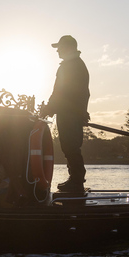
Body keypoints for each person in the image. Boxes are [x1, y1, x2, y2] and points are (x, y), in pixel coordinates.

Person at [39, 35, 90, 193]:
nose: (57, 51)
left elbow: (61, 92)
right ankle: (75, 179)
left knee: (70, 146)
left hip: (69, 115)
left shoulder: (70, 66)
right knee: (70, 147)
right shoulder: (76, 65)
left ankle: (76, 181)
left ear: (67, 48)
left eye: (59, 48)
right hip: (71, 113)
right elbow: (82, 94)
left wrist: (49, 108)